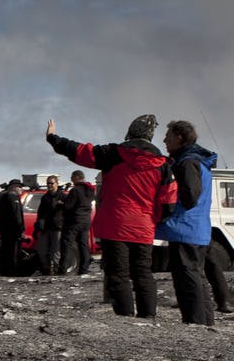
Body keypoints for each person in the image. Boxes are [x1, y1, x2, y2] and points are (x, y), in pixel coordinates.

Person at [46, 115, 170, 318]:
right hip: (144, 225)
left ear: (130, 132)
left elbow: (79, 152)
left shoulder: (113, 153)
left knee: (118, 273)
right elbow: (169, 201)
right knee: (143, 272)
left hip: (116, 225)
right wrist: (156, 219)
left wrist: (53, 138)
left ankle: (125, 316)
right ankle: (148, 316)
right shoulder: (163, 164)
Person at [157, 120, 218, 326]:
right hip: (197, 229)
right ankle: (206, 323)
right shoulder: (198, 161)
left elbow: (191, 195)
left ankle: (195, 322)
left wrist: (170, 203)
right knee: (197, 278)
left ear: (179, 138)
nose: (164, 140)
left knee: (187, 279)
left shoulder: (187, 162)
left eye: (168, 136)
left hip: (185, 228)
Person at [60, 169, 95, 276]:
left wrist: (61, 203)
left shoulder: (75, 190)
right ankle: (84, 269)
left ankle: (62, 269)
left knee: (66, 244)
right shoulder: (90, 190)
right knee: (83, 245)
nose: (71, 179)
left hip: (75, 221)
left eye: (72, 177)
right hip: (86, 221)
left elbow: (68, 206)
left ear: (77, 177)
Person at [34, 173, 65, 275]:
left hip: (58, 227)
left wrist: (62, 206)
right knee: (42, 250)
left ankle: (56, 269)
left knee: (56, 251)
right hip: (46, 227)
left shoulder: (63, 196)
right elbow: (40, 213)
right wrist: (38, 226)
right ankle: (46, 269)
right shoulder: (45, 197)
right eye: (48, 183)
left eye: (51, 183)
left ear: (56, 183)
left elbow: (69, 210)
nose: (49, 185)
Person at [0, 179, 26, 276]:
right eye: (20, 187)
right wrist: (21, 229)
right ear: (14, 187)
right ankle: (12, 271)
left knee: (6, 250)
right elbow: (16, 215)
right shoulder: (13, 197)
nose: (21, 189)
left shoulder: (4, 197)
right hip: (13, 230)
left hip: (5, 229)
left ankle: (6, 270)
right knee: (13, 251)